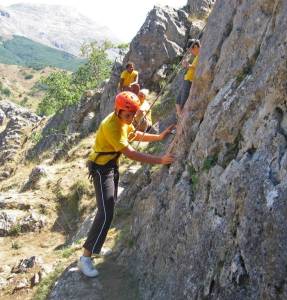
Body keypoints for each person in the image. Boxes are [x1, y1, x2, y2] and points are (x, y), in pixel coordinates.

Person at [78, 91, 175, 277]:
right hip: (101, 169)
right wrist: (160, 160)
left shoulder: (123, 121)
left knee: (109, 209)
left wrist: (159, 137)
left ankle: (93, 249)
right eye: (128, 114)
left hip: (111, 166)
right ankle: (85, 258)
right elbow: (131, 153)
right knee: (105, 211)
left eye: (133, 114)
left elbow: (134, 134)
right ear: (118, 110)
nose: (131, 118)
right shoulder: (112, 126)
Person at [176, 40, 201, 117]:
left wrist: (188, 65)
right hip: (186, 79)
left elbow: (199, 67)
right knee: (177, 101)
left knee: (183, 102)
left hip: (189, 81)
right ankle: (180, 117)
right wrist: (188, 65)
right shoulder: (196, 56)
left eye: (191, 50)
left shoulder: (201, 55)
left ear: (196, 47)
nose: (191, 52)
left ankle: (182, 119)